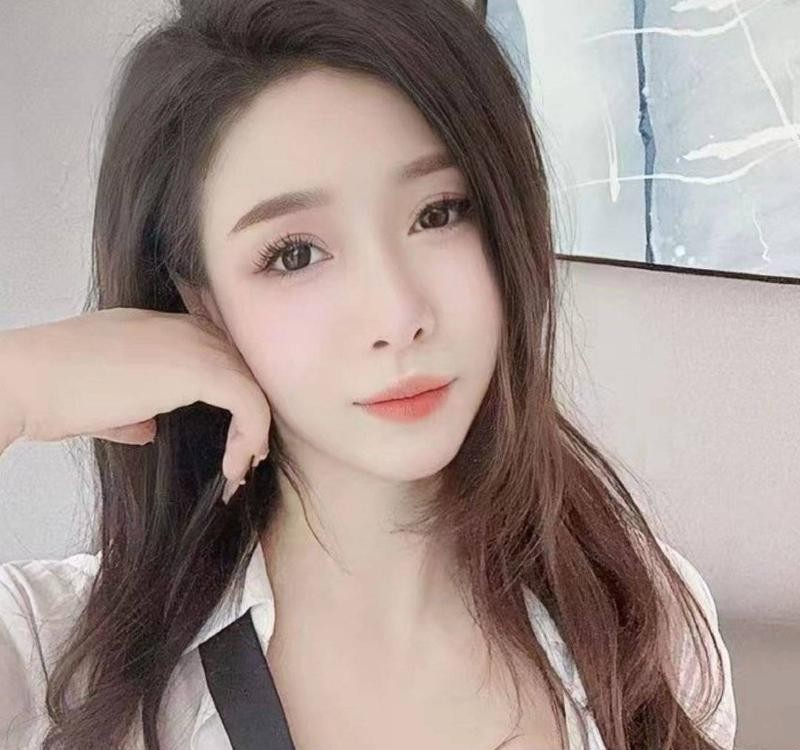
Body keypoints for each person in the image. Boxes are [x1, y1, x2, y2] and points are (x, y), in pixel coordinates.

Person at [0, 1, 736, 749]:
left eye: (439, 213)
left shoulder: (642, 620)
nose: (398, 314)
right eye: (295, 254)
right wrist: (15, 384)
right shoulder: (50, 661)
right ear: (199, 298)